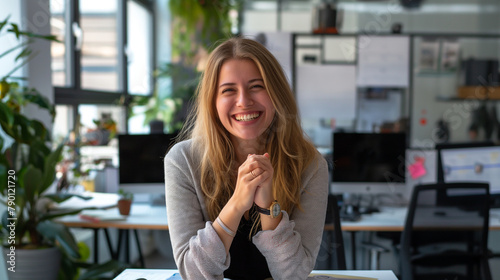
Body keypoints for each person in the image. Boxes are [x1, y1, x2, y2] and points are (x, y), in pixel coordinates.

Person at [164, 37, 328, 280]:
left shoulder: (310, 165)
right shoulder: (183, 160)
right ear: (213, 101)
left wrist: (267, 207)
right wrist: (237, 203)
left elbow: (295, 275)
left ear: (276, 94)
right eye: (229, 90)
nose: (244, 101)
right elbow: (193, 274)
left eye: (257, 86)